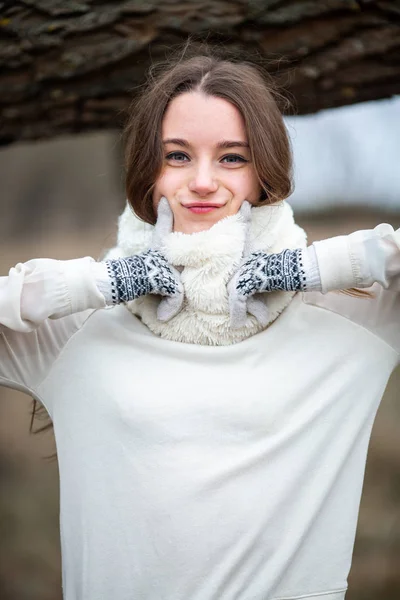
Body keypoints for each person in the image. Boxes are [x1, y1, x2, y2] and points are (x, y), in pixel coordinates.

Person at [0, 42, 399, 600]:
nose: (204, 181)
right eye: (177, 156)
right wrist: (101, 283)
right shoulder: (79, 326)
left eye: (232, 157)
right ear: (145, 171)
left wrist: (311, 265)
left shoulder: (352, 317)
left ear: (266, 173)